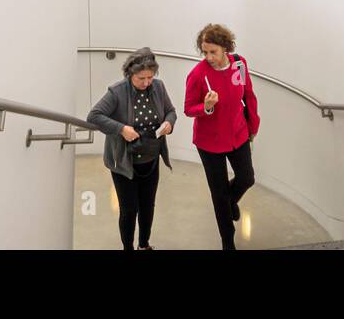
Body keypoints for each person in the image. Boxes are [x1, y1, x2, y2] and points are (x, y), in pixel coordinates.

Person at [87, 48, 176, 250]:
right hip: (125, 163)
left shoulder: (159, 87)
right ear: (129, 74)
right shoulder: (117, 92)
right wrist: (121, 129)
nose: (146, 83)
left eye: (150, 78)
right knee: (129, 210)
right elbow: (93, 116)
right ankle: (127, 248)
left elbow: (170, 111)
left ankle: (144, 245)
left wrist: (169, 123)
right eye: (140, 78)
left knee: (147, 207)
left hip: (150, 159)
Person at [184, 23, 259, 249]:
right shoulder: (197, 75)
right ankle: (228, 241)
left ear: (226, 48)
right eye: (205, 52)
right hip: (210, 142)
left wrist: (253, 125)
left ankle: (230, 202)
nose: (208, 57)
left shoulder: (240, 64)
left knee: (246, 178)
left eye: (213, 52)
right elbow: (188, 108)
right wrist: (206, 107)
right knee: (218, 194)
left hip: (238, 134)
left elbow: (248, 94)